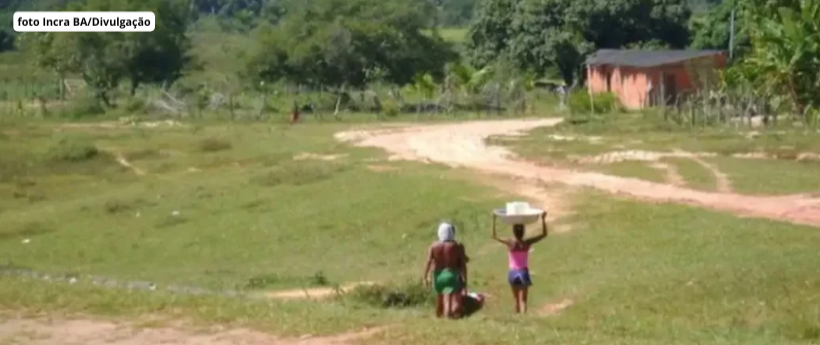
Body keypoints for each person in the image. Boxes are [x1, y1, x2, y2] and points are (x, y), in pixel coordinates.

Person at [491, 212, 548, 314]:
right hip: (523, 272)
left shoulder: (510, 243)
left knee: (516, 300)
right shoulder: (526, 243)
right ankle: (524, 319)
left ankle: (517, 319)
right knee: (523, 301)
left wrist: (494, 220)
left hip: (512, 273)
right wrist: (543, 219)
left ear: (513, 232)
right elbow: (544, 234)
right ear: (523, 232)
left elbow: (494, 236)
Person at [423, 222, 469, 318]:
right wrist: (465, 280)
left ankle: (439, 316)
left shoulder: (434, 246)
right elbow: (463, 264)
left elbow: (428, 262)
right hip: (451, 274)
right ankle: (449, 315)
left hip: (438, 276)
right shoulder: (457, 246)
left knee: (440, 298)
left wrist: (425, 277)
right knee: (448, 299)